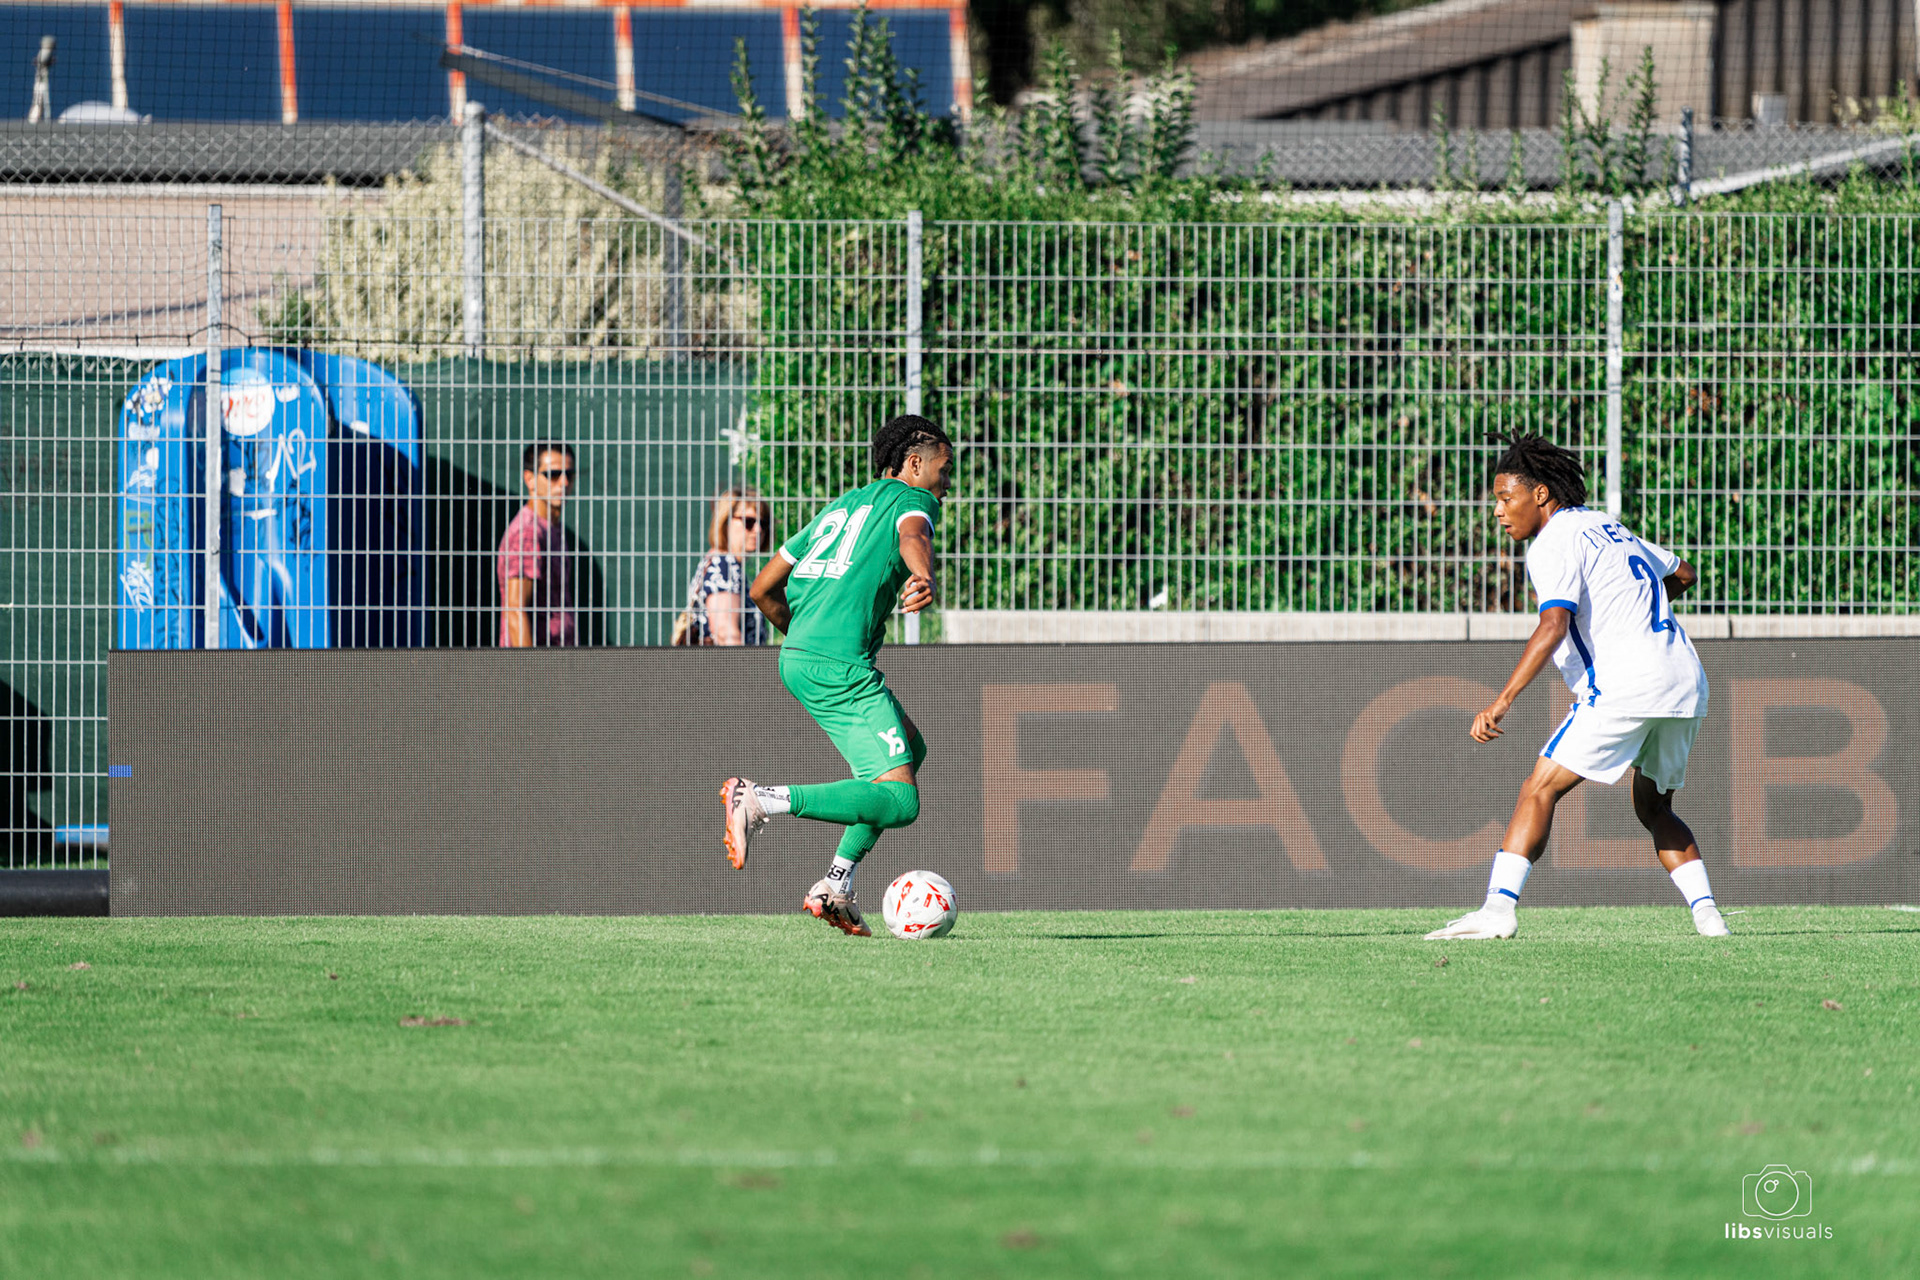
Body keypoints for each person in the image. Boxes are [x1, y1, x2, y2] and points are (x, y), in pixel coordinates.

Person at [1425, 432, 1729, 941]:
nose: (1499, 512)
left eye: (1505, 497)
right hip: (1684, 681)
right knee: (1654, 807)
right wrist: (1632, 610)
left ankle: (1498, 909)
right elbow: (1682, 572)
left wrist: (1500, 702)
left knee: (1539, 788)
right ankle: (1709, 916)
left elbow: (1553, 625)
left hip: (1627, 685)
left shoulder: (1553, 543)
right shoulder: (1609, 527)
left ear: (1540, 494)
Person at [718, 414, 953, 936]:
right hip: (840, 665)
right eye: (943, 467)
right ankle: (757, 799)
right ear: (914, 464)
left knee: (910, 749)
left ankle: (835, 885)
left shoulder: (840, 507)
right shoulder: (914, 502)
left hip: (799, 655)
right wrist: (922, 573)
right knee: (901, 800)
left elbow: (762, 589)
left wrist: (803, 638)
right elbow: (914, 534)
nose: (946, 482)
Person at [497, 441, 579, 648]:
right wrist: (533, 674)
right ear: (529, 479)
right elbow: (515, 611)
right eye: (552, 474)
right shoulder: (528, 533)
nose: (563, 483)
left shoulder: (551, 527)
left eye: (569, 474)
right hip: (538, 669)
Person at [684, 489, 772, 646]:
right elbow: (725, 633)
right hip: (730, 668)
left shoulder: (720, 563)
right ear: (725, 522)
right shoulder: (724, 567)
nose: (758, 530)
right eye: (748, 522)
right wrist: (744, 669)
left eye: (763, 523)